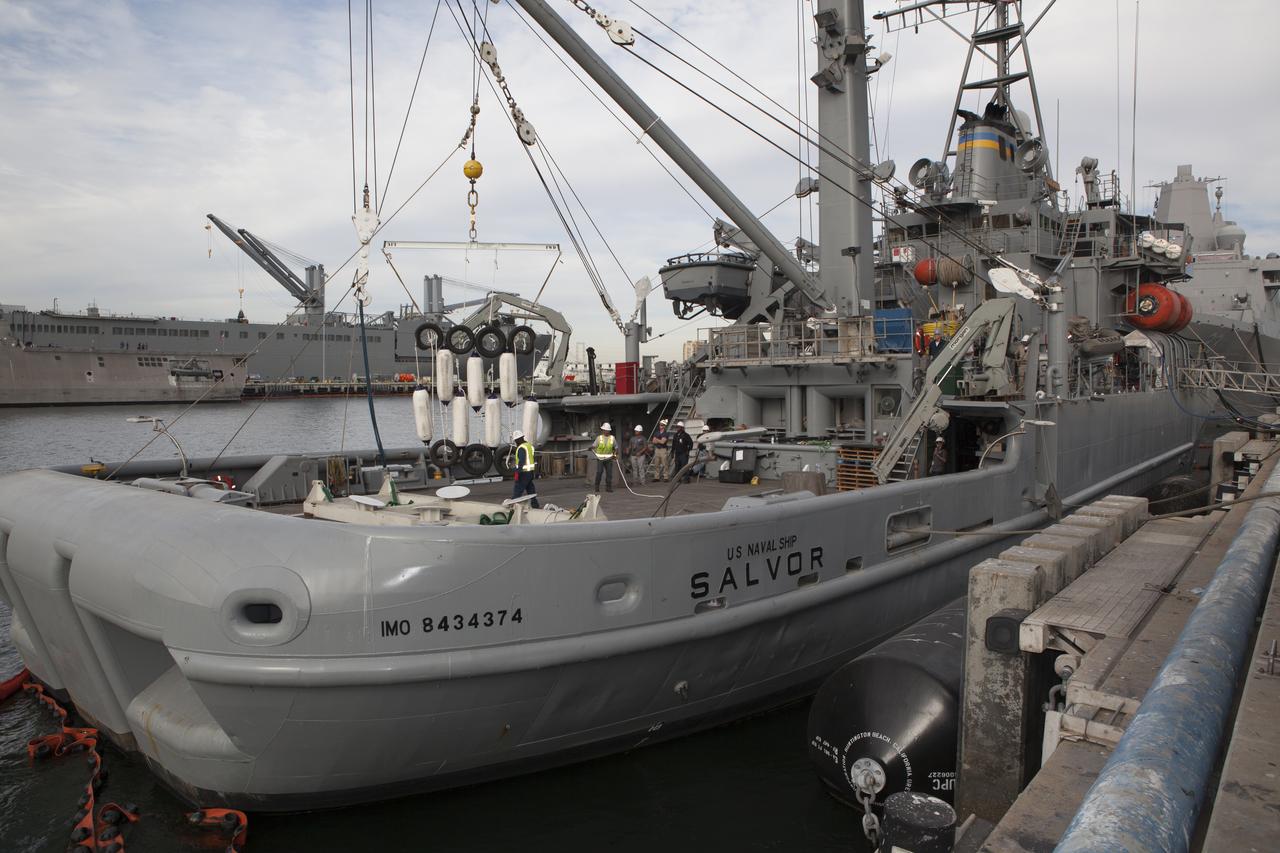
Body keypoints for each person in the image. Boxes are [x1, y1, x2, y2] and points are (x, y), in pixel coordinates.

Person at [510, 430, 540, 508]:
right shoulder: (529, 446)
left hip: (523, 473)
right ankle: (535, 505)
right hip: (530, 472)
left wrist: (517, 471)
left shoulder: (521, 448)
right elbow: (531, 458)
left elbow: (522, 461)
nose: (515, 442)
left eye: (516, 440)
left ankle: (512, 506)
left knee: (518, 490)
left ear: (518, 439)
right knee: (530, 490)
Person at [592, 421, 617, 493]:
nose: (606, 431)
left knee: (609, 474)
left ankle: (608, 488)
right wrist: (591, 447)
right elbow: (594, 446)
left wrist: (615, 455)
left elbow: (616, 447)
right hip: (600, 459)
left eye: (608, 430)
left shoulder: (612, 438)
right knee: (599, 472)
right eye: (605, 430)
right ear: (603, 430)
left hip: (609, 459)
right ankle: (596, 487)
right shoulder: (599, 438)